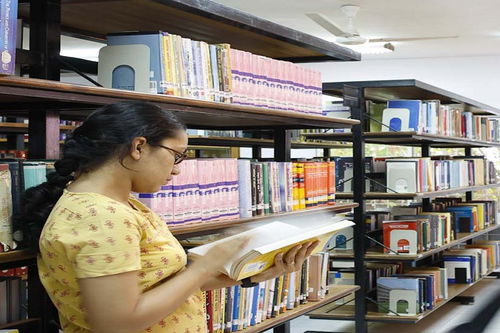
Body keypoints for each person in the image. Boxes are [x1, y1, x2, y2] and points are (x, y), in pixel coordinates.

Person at [18, 101, 318, 333]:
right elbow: (117, 324)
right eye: (176, 156)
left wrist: (251, 273)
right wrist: (204, 266)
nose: (177, 169)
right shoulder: (98, 216)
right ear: (139, 146)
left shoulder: (123, 206)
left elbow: (161, 286)